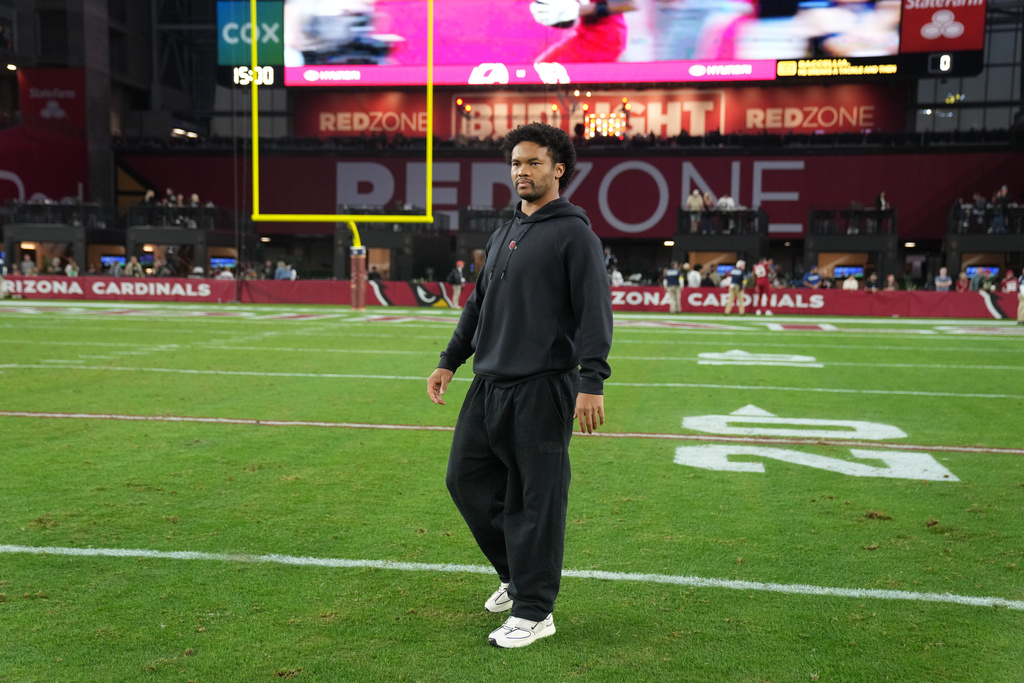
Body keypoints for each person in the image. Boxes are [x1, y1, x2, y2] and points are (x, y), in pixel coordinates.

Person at [426, 122, 613, 650]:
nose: (521, 172)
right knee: (465, 480)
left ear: (558, 169)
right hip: (488, 386)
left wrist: (591, 381)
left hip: (543, 388)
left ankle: (535, 610)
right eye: (515, 163)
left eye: (532, 163)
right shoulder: (504, 230)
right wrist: (450, 360)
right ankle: (515, 575)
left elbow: (596, 313)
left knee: (537, 501)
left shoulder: (575, 233)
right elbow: (478, 305)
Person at [529, 0, 637, 63]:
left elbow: (630, 3)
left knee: (545, 70)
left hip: (607, 39)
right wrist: (552, 15)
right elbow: (570, 18)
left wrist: (580, 10)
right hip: (584, 34)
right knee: (540, 70)